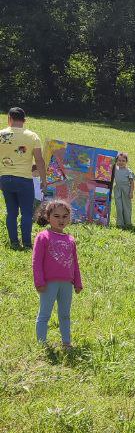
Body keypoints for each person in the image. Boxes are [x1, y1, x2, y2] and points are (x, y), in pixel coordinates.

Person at [33, 200, 82, 349]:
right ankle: (42, 345)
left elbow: (75, 263)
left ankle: (66, 342)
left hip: (66, 284)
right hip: (49, 284)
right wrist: (39, 282)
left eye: (65, 216)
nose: (61, 220)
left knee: (65, 315)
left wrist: (78, 282)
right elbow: (36, 261)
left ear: (69, 218)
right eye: (56, 216)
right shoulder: (43, 237)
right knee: (45, 314)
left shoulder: (70, 239)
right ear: (48, 217)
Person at [0, 106, 46, 250]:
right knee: (26, 212)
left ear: (9, 119)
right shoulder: (32, 136)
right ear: (24, 120)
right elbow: (39, 160)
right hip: (24, 180)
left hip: (5, 179)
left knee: (11, 212)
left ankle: (14, 242)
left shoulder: (1, 134)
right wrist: (44, 179)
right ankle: (27, 243)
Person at [112, 153, 135, 228]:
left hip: (126, 190)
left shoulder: (129, 171)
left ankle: (128, 223)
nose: (121, 162)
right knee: (119, 207)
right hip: (117, 189)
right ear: (116, 161)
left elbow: (132, 183)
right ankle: (120, 223)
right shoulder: (115, 169)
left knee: (126, 206)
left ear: (126, 162)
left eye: (123, 161)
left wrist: (131, 192)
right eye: (119, 160)